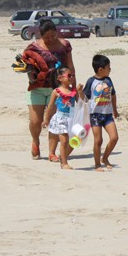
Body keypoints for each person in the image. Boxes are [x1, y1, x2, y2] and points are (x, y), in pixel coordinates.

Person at [23, 19, 75, 160]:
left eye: (53, 36)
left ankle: (52, 153)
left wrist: (73, 88)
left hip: (58, 89)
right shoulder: (32, 48)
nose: (51, 39)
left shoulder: (64, 45)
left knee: (55, 122)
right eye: (47, 37)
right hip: (38, 89)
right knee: (35, 121)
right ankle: (35, 141)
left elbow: (70, 66)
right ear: (41, 34)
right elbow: (25, 67)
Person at [83, 54, 119, 171]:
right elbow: (84, 98)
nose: (110, 69)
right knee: (98, 140)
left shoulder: (108, 80)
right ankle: (97, 164)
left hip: (107, 114)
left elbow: (113, 95)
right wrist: (79, 92)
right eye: (109, 67)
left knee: (114, 138)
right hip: (95, 115)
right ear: (101, 69)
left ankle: (105, 158)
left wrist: (115, 110)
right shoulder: (91, 81)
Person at [44, 67, 78, 170]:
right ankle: (64, 163)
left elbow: (81, 102)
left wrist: (80, 92)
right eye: (69, 76)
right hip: (60, 118)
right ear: (60, 78)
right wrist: (46, 119)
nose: (71, 77)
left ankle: (63, 157)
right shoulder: (56, 91)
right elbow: (50, 107)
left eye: (72, 75)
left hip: (71, 118)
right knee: (63, 140)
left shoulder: (73, 91)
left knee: (73, 141)